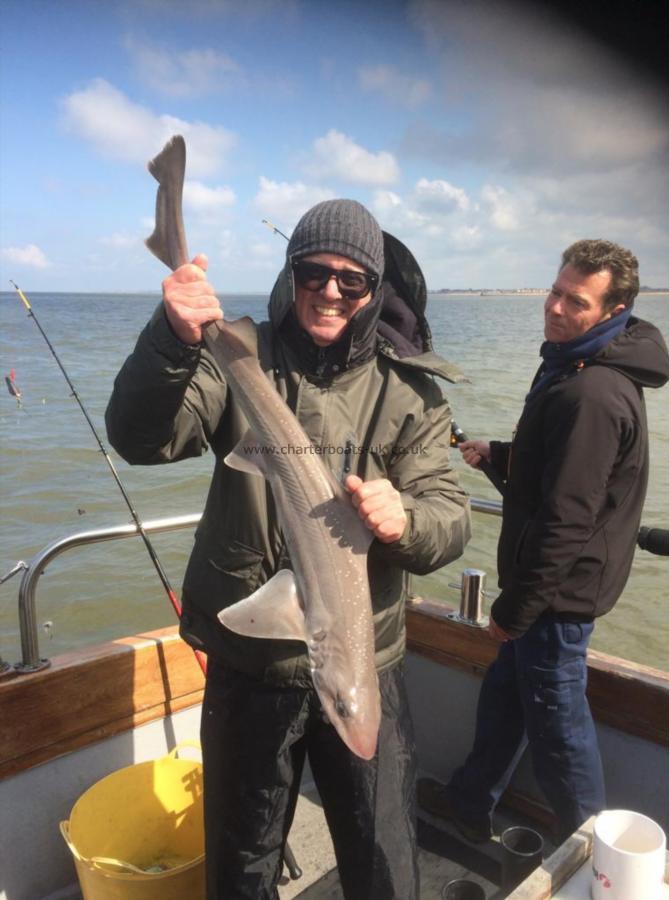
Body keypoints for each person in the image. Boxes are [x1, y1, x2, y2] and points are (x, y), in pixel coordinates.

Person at [106, 199, 471, 899]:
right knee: (240, 867)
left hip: (368, 664)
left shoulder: (410, 393)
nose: (330, 290)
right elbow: (139, 438)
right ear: (292, 272)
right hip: (251, 670)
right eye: (313, 272)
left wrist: (406, 519)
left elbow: (450, 516)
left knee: (385, 862)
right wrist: (171, 340)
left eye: (351, 280)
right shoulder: (237, 357)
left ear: (374, 288)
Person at [418, 239, 669, 843]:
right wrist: (498, 456)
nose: (555, 309)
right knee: (505, 702)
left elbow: (567, 519)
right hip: (548, 590)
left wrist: (515, 608)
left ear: (613, 312)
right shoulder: (571, 364)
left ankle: (594, 857)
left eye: (575, 302)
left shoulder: (593, 393)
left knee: (560, 731)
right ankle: (470, 802)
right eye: (555, 292)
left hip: (556, 597)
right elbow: (561, 470)